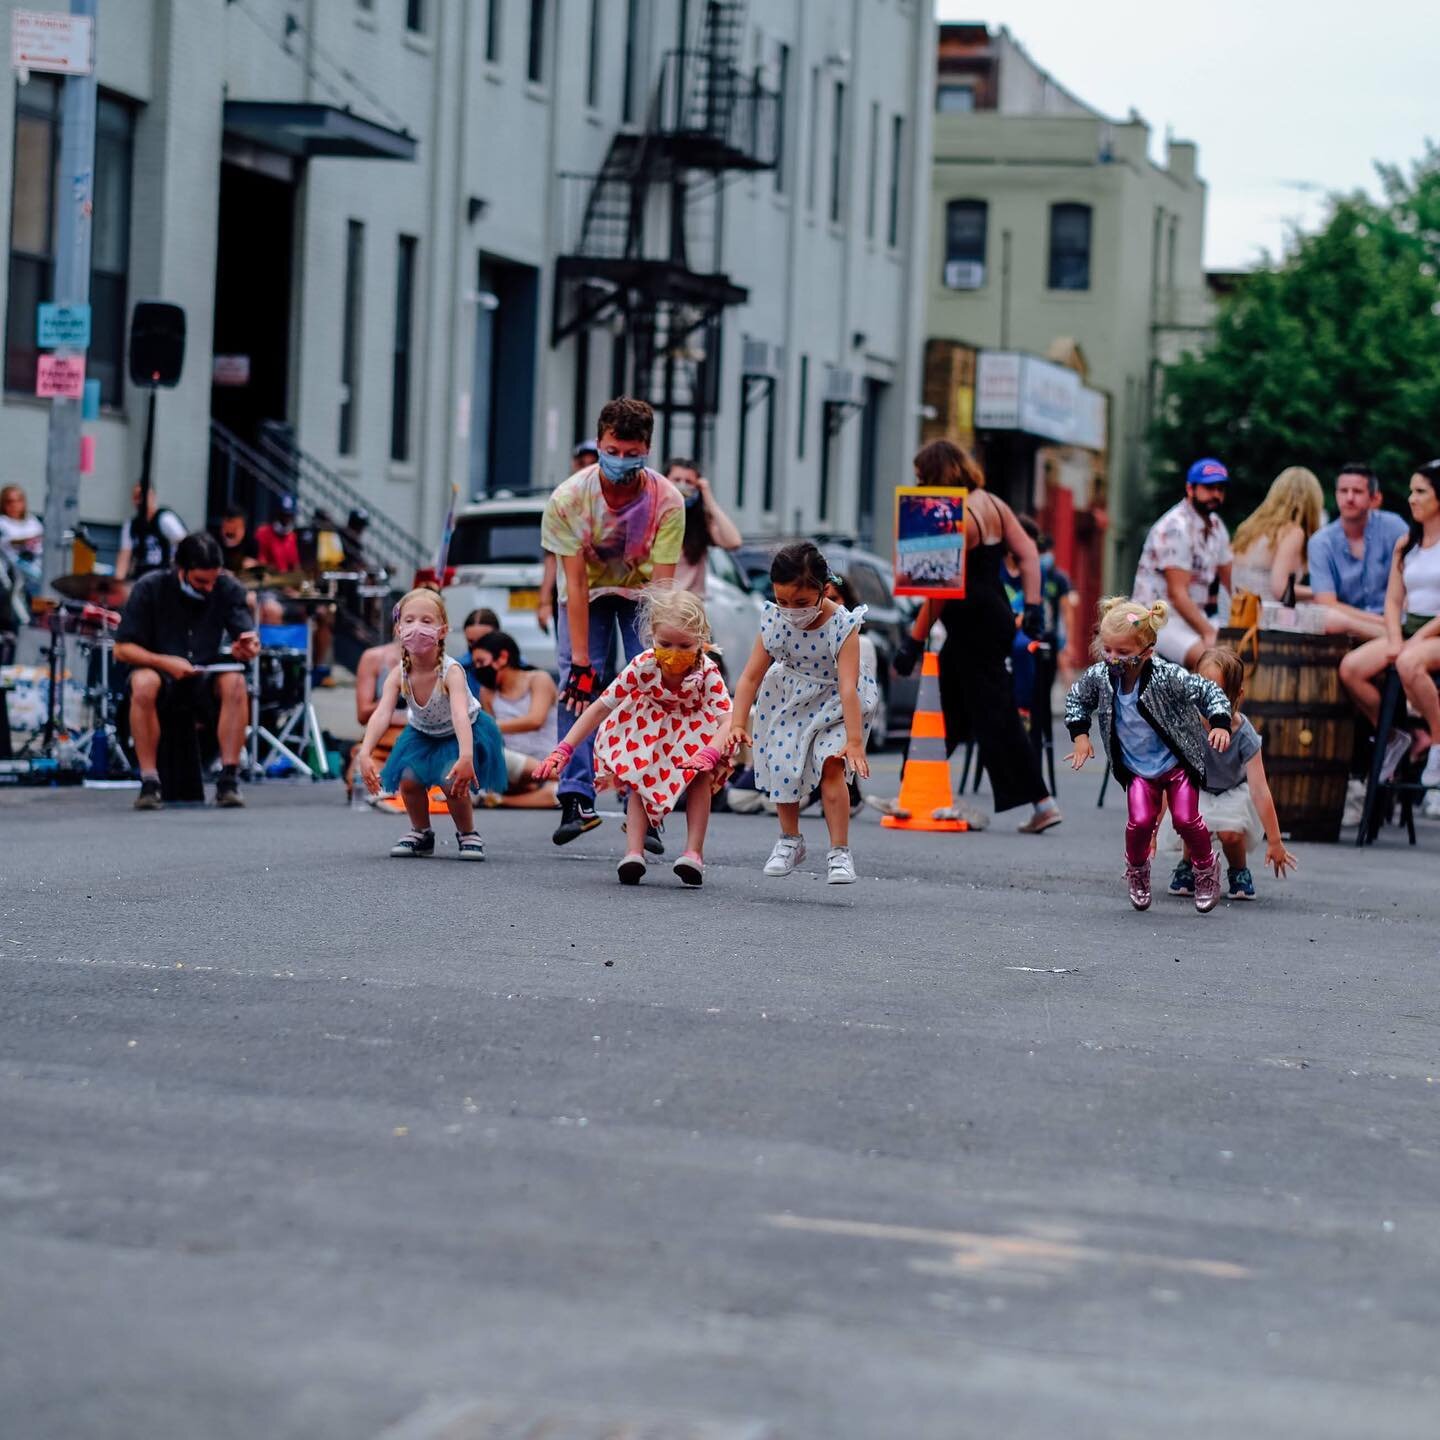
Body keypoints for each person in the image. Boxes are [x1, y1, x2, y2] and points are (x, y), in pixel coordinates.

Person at [892, 440, 1061, 834]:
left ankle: (1043, 802)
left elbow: (936, 591)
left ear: (936, 475)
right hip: (994, 614)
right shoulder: (993, 504)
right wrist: (1033, 608)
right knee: (947, 707)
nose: (918, 486)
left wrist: (913, 643)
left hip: (971, 622)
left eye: (921, 478)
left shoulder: (956, 518)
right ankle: (908, 790)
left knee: (996, 715)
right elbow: (1030, 555)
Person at [540, 396, 685, 845]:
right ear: (600, 443)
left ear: (647, 449)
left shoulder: (667, 501)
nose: (620, 461)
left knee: (650, 685)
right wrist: (583, 662)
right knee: (578, 684)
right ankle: (575, 796)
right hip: (588, 593)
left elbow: (661, 592)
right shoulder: (568, 499)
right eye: (612, 450)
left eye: (631, 452)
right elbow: (577, 586)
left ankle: (646, 802)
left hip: (643, 593)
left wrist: (661, 655)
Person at [535, 589, 732, 886]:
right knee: (638, 775)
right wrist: (564, 749)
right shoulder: (644, 665)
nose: (674, 653)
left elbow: (728, 719)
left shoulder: (708, 673)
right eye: (665, 644)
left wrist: (711, 753)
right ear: (651, 636)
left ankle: (693, 853)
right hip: (647, 726)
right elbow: (598, 708)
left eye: (685, 645)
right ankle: (633, 852)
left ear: (701, 639)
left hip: (693, 730)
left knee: (699, 779)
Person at [1064, 597, 1233, 913]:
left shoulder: (1166, 676)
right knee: (1140, 822)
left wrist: (1220, 723)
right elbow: (1076, 699)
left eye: (1124, 653)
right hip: (1139, 768)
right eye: (1109, 650)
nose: (1114, 659)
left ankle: (1206, 869)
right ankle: (1138, 871)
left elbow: (1208, 691)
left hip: (1176, 762)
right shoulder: (1101, 677)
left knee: (1186, 819)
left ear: (1148, 652)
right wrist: (1080, 736)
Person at [728, 541, 876, 885]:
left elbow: (848, 686)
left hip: (838, 702)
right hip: (790, 698)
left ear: (823, 591)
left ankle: (840, 852)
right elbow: (750, 676)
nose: (791, 610)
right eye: (782, 601)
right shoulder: (775, 621)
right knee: (781, 762)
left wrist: (854, 742)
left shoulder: (843, 625)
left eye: (801, 603)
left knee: (831, 764)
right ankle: (790, 840)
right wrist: (737, 722)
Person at [113, 532, 260, 811]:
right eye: (201, 581)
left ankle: (229, 779)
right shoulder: (150, 587)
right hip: (161, 671)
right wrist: (165, 662)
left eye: (213, 580)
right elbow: (121, 649)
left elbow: (246, 635)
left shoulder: (226, 587)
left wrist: (249, 646)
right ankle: (149, 782)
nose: (208, 587)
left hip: (205, 674)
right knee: (143, 682)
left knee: (236, 682)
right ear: (181, 570)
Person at [356, 588, 508, 859]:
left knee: (452, 784)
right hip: (423, 733)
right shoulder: (399, 673)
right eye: (410, 620)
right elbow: (381, 713)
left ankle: (468, 832)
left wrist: (466, 755)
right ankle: (421, 832)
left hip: (461, 732)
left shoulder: (451, 672)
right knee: (409, 780)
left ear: (442, 630)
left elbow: (460, 714)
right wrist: (365, 752)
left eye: (427, 621)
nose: (417, 627)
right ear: (399, 629)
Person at [1165, 647, 1298, 903]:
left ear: (1237, 695)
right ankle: (1189, 864)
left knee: (1231, 833)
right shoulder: (1187, 723)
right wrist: (1152, 827)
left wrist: (1275, 840)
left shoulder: (1244, 734)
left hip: (1233, 791)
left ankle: (1238, 869)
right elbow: (1169, 771)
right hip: (1199, 787)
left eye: (1220, 693)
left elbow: (1259, 790)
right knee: (1193, 824)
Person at [1338, 461, 1440, 791]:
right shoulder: (1407, 542)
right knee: (1351, 668)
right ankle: (1397, 734)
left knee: (1410, 662)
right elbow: (1393, 602)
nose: (1412, 498)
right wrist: (1396, 638)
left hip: (1434, 631)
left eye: (1421, 491)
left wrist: (1414, 642)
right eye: (1411, 490)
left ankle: (1437, 744)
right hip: (1410, 630)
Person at [1131, 457, 1234, 669]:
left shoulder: (1216, 526)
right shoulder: (1175, 527)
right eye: (1208, 487)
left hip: (1194, 617)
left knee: (1238, 657)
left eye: (1220, 488)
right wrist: (1208, 632)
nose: (1216, 494)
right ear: (1190, 488)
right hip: (1159, 620)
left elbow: (1232, 582)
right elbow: (1178, 595)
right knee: (1213, 664)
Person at [1306, 463, 1407, 640]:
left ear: (1373, 498)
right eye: (1343, 491)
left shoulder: (1394, 527)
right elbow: (1326, 602)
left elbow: (1412, 583)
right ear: (1336, 494)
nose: (1349, 498)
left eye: (1357, 491)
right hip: (1354, 625)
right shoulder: (1320, 542)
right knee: (1328, 617)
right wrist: (1382, 622)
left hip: (1398, 619)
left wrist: (1393, 618)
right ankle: (1390, 635)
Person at [472, 629, 561, 809]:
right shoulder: (488, 692)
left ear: (503, 658)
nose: (478, 669)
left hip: (547, 762)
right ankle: (521, 789)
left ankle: (502, 800)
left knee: (560, 793)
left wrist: (491, 726)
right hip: (512, 765)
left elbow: (536, 720)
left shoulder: (538, 679)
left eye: (481, 662)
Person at [1229, 466, 1325, 605]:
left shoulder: (1251, 528)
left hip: (1234, 617)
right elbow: (1281, 589)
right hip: (1263, 620)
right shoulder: (1292, 532)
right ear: (1313, 502)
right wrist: (1323, 592)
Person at [666, 459, 744, 596]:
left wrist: (708, 498)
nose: (682, 486)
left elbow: (734, 541)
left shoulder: (702, 522)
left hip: (690, 608)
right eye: (676, 479)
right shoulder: (652, 516)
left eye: (689, 482)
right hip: (658, 605)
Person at [116, 484, 187, 580]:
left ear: (152, 497)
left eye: (142, 496)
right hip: (140, 576)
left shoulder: (165, 519)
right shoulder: (131, 525)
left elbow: (185, 544)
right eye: (136, 498)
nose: (140, 501)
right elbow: (125, 556)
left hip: (164, 575)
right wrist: (118, 582)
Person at [0, 484, 44, 595]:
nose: (14, 505)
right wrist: (30, 539)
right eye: (9, 502)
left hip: (37, 563)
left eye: (18, 501)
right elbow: (10, 541)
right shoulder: (3, 522)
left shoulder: (31, 520)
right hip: (14, 568)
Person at [459, 607, 501, 695]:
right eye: (471, 641)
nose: (477, 648)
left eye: (483, 640)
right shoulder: (458, 669)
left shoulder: (517, 667)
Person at [254, 495, 301, 574]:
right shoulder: (263, 533)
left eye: (289, 516)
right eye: (283, 515)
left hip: (288, 582)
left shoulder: (294, 537)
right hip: (269, 582)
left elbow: (296, 567)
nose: (286, 519)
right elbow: (260, 564)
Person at [211, 505, 260, 575]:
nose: (230, 532)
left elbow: (251, 572)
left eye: (234, 528)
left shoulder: (251, 544)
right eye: (227, 527)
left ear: (243, 529)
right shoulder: (212, 541)